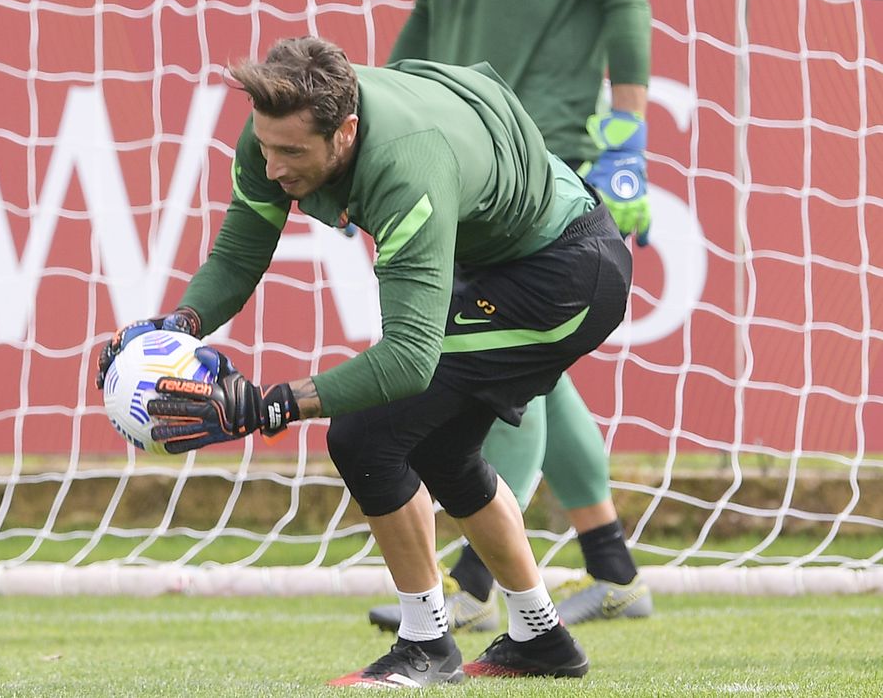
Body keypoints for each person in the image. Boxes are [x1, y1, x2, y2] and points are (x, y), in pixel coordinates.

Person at [97, 35, 632, 687]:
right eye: (266, 146)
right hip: (506, 260)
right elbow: (238, 254)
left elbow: (407, 358)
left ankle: (426, 645)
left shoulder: (407, 169)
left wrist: (268, 405)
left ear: (346, 132)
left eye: (292, 153)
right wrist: (177, 327)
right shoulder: (275, 127)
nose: (273, 168)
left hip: (566, 276)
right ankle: (540, 639)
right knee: (439, 449)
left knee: (367, 436)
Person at [362, 0, 655, 634]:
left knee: (500, 357)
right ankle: (612, 568)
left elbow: (626, 2)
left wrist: (628, 136)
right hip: (464, 152)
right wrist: (373, 134)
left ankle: (477, 577)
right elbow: (422, 27)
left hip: (544, 153)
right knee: (527, 363)